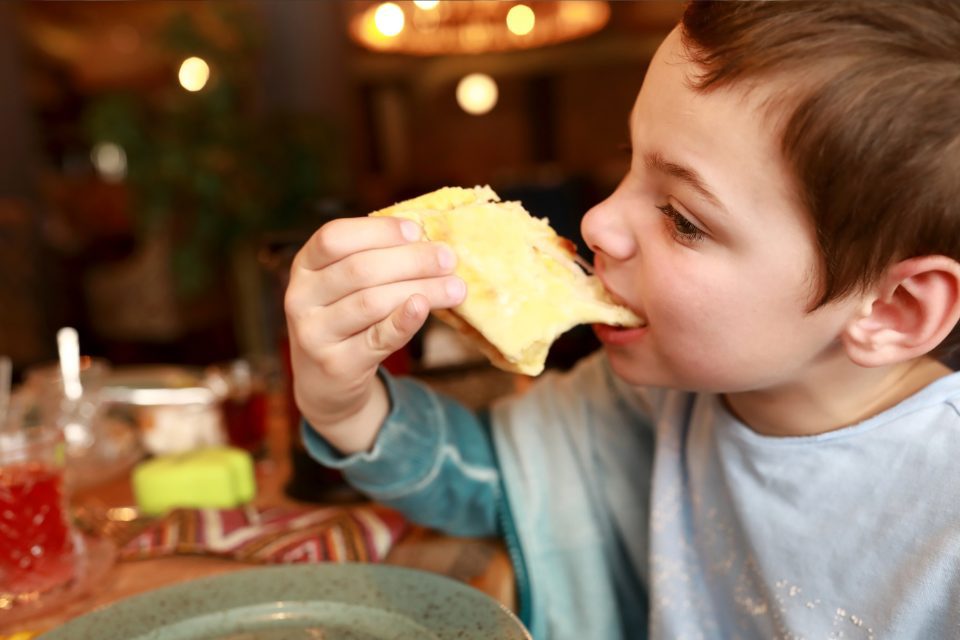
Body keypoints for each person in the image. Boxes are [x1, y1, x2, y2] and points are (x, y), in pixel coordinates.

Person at [283, 2, 960, 638]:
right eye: (627, 162)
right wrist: (343, 403)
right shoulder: (649, 399)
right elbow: (488, 481)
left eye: (683, 218)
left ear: (893, 311)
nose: (597, 221)